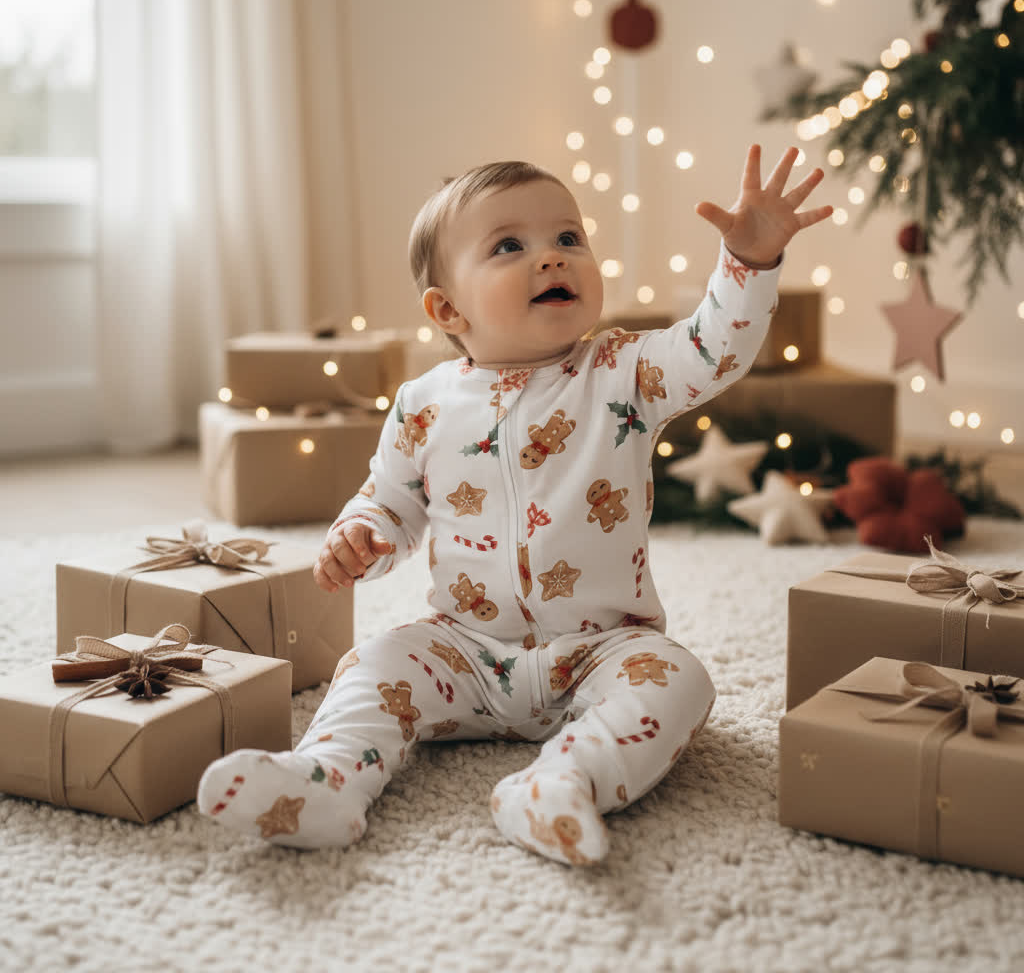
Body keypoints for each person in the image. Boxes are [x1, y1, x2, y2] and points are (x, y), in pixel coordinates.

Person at [198, 145, 831, 864]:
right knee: (373, 663)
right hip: (462, 650)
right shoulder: (423, 404)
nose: (552, 258)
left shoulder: (623, 373)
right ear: (447, 309)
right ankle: (325, 780)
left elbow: (713, 347)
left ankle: (562, 782)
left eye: (569, 239)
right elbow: (392, 500)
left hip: (600, 649)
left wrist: (746, 265)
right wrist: (364, 532)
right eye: (510, 246)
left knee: (681, 681)